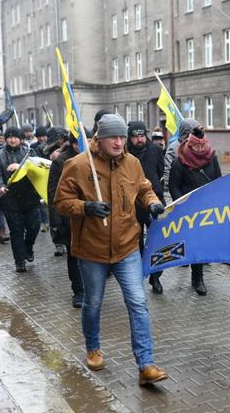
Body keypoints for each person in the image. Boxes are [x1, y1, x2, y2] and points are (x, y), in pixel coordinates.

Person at [54, 113, 168, 386]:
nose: (119, 142)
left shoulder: (133, 163)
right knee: (93, 304)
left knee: (138, 303)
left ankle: (146, 365)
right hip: (91, 250)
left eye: (122, 137)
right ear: (99, 138)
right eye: (112, 137)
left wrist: (152, 202)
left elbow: (144, 189)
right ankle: (93, 348)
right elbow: (60, 201)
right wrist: (85, 208)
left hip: (127, 247)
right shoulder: (79, 165)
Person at [168, 122, 222, 296]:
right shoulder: (180, 161)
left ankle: (197, 278)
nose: (199, 149)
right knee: (188, 243)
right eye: (196, 146)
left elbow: (219, 181)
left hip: (206, 209)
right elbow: (173, 186)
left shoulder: (212, 158)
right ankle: (158, 274)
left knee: (201, 243)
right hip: (188, 209)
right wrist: (182, 204)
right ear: (189, 144)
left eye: (202, 146)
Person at [0, 126, 41, 273]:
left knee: (34, 227)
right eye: (9, 137)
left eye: (15, 137)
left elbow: (38, 169)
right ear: (5, 139)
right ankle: (19, 261)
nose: (13, 140)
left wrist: (22, 166)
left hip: (30, 198)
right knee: (16, 231)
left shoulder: (29, 152)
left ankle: (28, 247)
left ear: (21, 139)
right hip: (10, 199)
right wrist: (0, 186)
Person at [48, 131, 87, 308]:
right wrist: (56, 221)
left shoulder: (96, 159)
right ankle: (78, 290)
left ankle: (92, 288)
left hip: (93, 217)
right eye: (81, 142)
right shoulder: (60, 162)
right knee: (74, 254)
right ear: (73, 144)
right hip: (70, 217)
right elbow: (54, 194)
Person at [126, 121, 166, 294]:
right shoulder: (124, 153)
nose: (139, 139)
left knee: (157, 240)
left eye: (142, 136)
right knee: (136, 242)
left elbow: (160, 172)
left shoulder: (156, 150)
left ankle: (155, 277)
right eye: (135, 136)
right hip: (131, 203)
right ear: (129, 137)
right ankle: (138, 275)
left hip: (153, 202)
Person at [163, 118, 200, 189]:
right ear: (187, 133)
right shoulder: (173, 149)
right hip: (179, 189)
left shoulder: (198, 146)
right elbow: (167, 171)